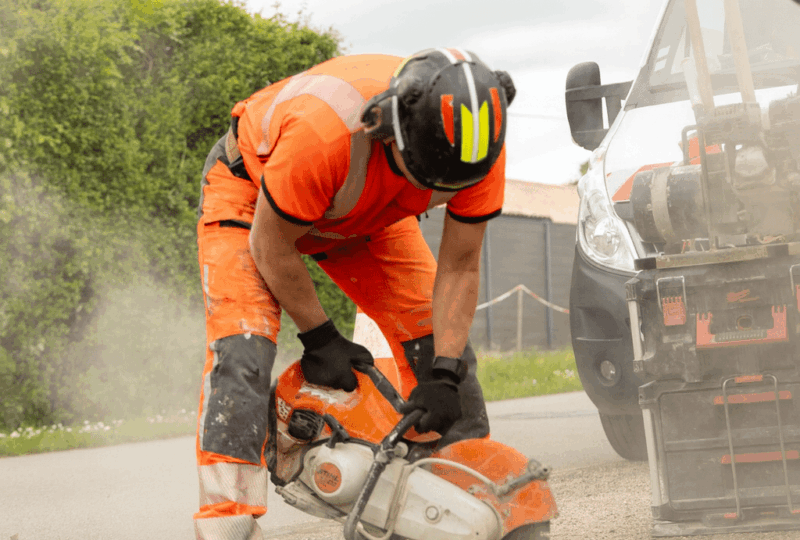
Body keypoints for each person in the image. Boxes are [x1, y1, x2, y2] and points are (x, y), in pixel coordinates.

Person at [193, 47, 515, 540]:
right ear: (390, 129)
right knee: (243, 346)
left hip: (365, 210)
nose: (442, 189)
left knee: (435, 347)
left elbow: (460, 264)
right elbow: (270, 245)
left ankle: (463, 500)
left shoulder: (475, 147)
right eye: (429, 178)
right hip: (253, 198)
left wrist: (445, 375)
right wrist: (320, 337)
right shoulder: (322, 137)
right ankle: (226, 525)